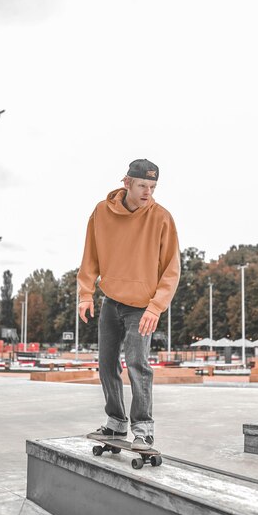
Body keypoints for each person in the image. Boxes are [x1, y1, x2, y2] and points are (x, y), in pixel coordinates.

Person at [77, 159, 180, 450]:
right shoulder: (101, 212)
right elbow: (90, 255)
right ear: (127, 183)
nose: (148, 192)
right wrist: (86, 293)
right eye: (142, 186)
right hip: (111, 300)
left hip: (143, 306)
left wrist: (156, 306)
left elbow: (172, 268)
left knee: (138, 363)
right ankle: (116, 423)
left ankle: (143, 428)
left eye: (153, 186)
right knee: (106, 364)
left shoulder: (161, 218)